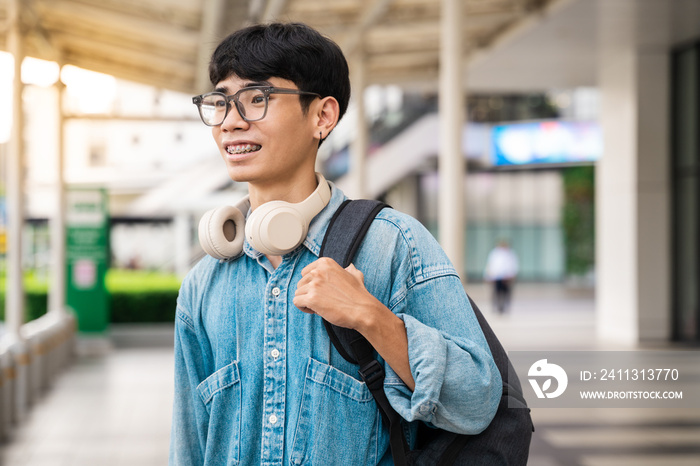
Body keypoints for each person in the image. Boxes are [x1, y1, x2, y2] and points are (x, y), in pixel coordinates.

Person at [170, 22, 501, 465]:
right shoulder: (203, 283)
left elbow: (477, 401)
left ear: (322, 117)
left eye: (256, 99)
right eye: (220, 102)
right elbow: (188, 447)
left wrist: (371, 317)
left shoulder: (395, 246)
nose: (230, 122)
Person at [483, 240, 519, 314]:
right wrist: (488, 276)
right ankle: (498, 306)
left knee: (506, 293)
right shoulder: (495, 254)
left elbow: (513, 265)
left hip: (506, 277)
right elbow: (491, 265)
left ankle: (504, 307)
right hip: (497, 277)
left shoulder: (510, 254)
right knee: (497, 292)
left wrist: (512, 275)